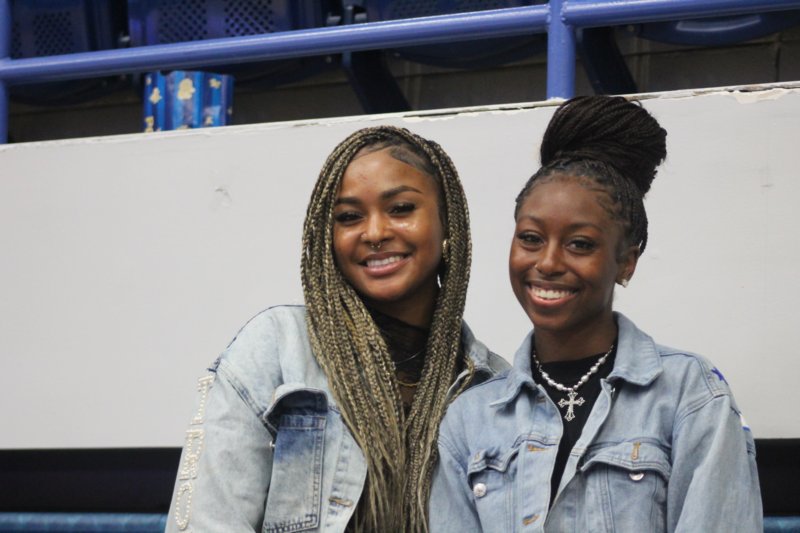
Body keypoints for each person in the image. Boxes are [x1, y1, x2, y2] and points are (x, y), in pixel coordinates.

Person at [429, 96, 762, 532]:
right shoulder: (470, 417)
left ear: (626, 263)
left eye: (580, 244)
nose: (548, 262)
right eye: (530, 238)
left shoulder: (689, 395)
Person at [165, 125, 508, 533]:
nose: (375, 232)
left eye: (401, 209)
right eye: (348, 217)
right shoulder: (275, 351)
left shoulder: (494, 389)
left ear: (447, 222)